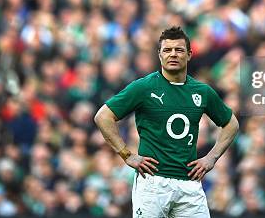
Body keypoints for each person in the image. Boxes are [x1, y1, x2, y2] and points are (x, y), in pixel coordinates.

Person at [94, 26, 239, 218]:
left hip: (190, 183)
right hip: (153, 182)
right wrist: (127, 154)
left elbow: (231, 124)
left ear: (189, 54)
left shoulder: (202, 91)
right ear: (159, 55)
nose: (173, 54)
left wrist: (212, 157)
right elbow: (103, 116)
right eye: (167, 50)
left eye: (179, 50)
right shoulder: (144, 87)